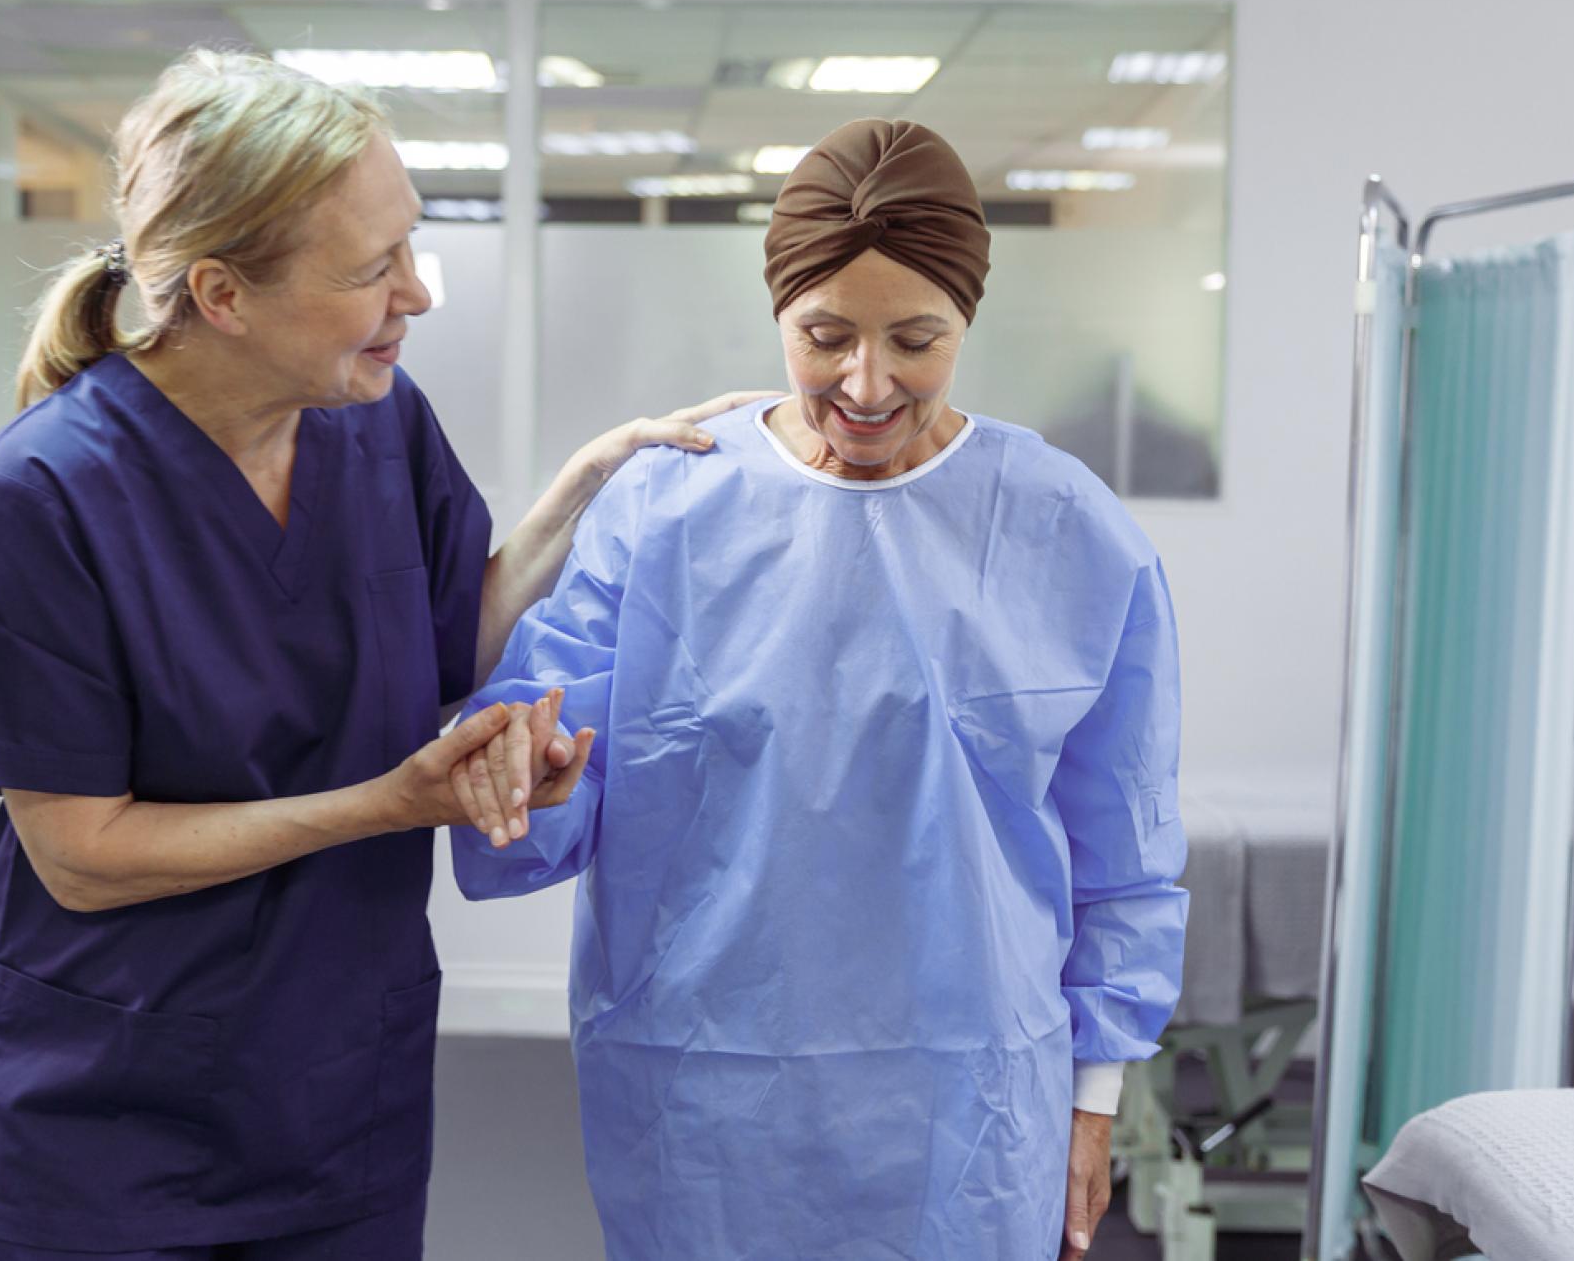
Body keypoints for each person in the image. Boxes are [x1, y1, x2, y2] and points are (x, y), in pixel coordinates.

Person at [0, 48, 764, 1260]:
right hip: (113, 1110)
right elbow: (82, 858)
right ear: (222, 293)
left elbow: (442, 644)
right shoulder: (41, 496)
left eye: (411, 248)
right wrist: (388, 803)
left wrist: (584, 489)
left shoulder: (372, 421)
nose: (414, 294)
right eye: (374, 268)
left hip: (336, 1091)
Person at [453, 119, 1190, 1260]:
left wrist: (1094, 1097)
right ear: (776, 315)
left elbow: (1123, 849)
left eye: (915, 339)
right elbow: (539, 773)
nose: (866, 382)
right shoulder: (664, 510)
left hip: (969, 1107)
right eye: (824, 335)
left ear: (967, 324)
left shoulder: (1065, 528)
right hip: (703, 1094)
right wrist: (530, 775)